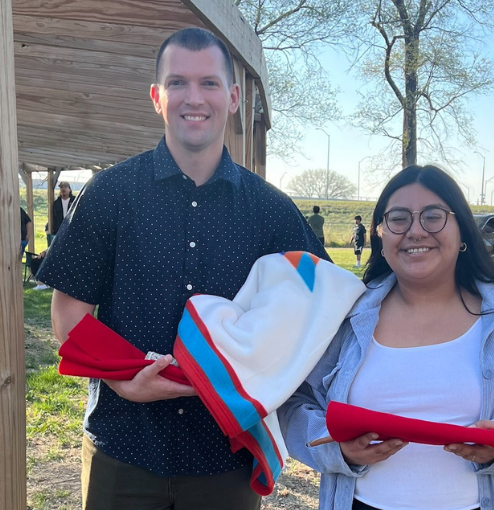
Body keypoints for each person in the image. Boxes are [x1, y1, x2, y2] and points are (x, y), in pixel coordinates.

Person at [37, 27, 329, 510]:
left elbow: (315, 309)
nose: (194, 98)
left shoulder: (274, 212)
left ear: (233, 97)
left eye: (209, 83)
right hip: (122, 450)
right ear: (157, 97)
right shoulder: (108, 194)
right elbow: (68, 315)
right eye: (178, 83)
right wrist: (124, 382)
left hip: (226, 459)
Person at [279, 164, 494, 510]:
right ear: (381, 237)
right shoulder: (343, 314)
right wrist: (336, 450)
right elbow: (293, 402)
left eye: (433, 216)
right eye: (398, 218)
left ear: (462, 232)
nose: (416, 231)